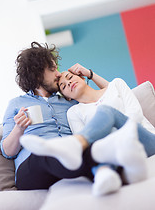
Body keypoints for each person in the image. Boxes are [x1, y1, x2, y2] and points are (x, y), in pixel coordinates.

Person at [20, 59, 155, 195]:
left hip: (146, 140)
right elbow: (90, 148)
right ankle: (105, 176)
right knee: (96, 149)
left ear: (81, 78)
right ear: (67, 97)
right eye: (64, 86)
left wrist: (90, 73)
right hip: (118, 151)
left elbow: (135, 114)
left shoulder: (116, 85)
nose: (69, 83)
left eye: (70, 77)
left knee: (106, 111)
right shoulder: (74, 112)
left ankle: (74, 144)